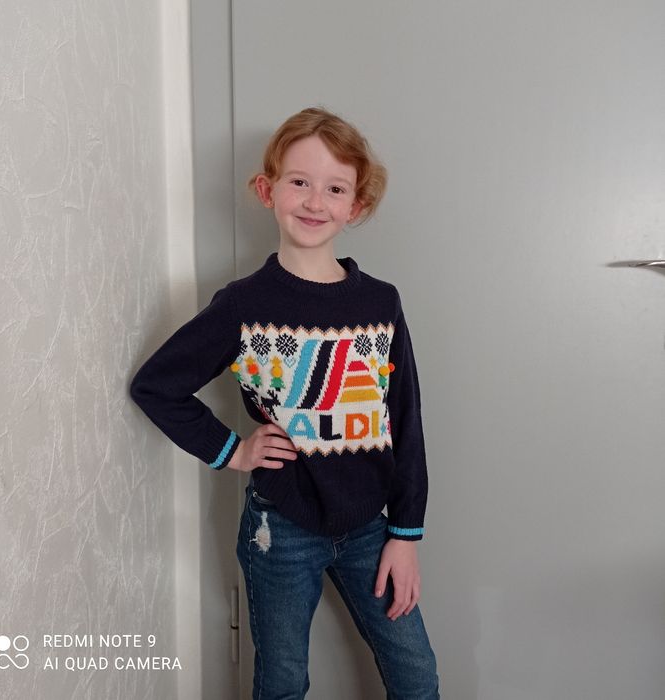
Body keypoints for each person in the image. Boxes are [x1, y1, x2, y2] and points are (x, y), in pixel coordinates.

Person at [130, 106, 440, 699]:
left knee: (415, 674)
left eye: (335, 188)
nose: (315, 201)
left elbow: (405, 419)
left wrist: (405, 534)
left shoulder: (381, 303)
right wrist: (233, 451)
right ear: (266, 189)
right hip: (280, 528)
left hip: (372, 528)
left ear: (356, 205)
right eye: (299, 181)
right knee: (283, 679)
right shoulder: (243, 304)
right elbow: (157, 385)